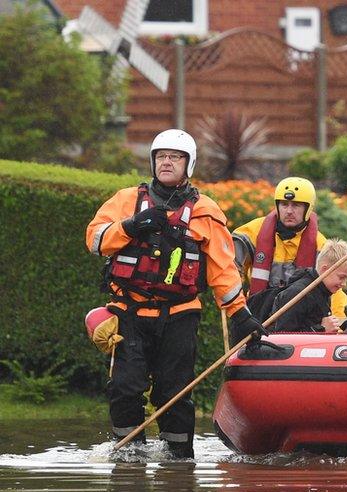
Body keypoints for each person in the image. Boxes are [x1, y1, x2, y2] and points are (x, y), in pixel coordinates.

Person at [85, 129, 266, 459]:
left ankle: (179, 460)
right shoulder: (125, 200)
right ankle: (129, 455)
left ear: (189, 164)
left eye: (175, 157)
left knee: (175, 392)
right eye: (161, 157)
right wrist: (131, 226)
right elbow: (95, 240)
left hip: (179, 314)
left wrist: (241, 314)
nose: (166, 162)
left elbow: (223, 269)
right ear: (153, 162)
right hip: (129, 311)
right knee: (125, 388)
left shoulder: (205, 211)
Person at [232, 177, 347, 319]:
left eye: (296, 205)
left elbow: (335, 290)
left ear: (308, 208)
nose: (289, 211)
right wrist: (238, 312)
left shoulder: (321, 246)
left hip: (299, 321)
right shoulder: (252, 232)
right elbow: (230, 270)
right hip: (256, 317)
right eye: (284, 204)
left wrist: (340, 325)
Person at [261, 239, 347, 334]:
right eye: (341, 277)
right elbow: (283, 337)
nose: (344, 284)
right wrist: (321, 329)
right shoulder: (298, 293)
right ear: (325, 269)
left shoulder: (322, 292)